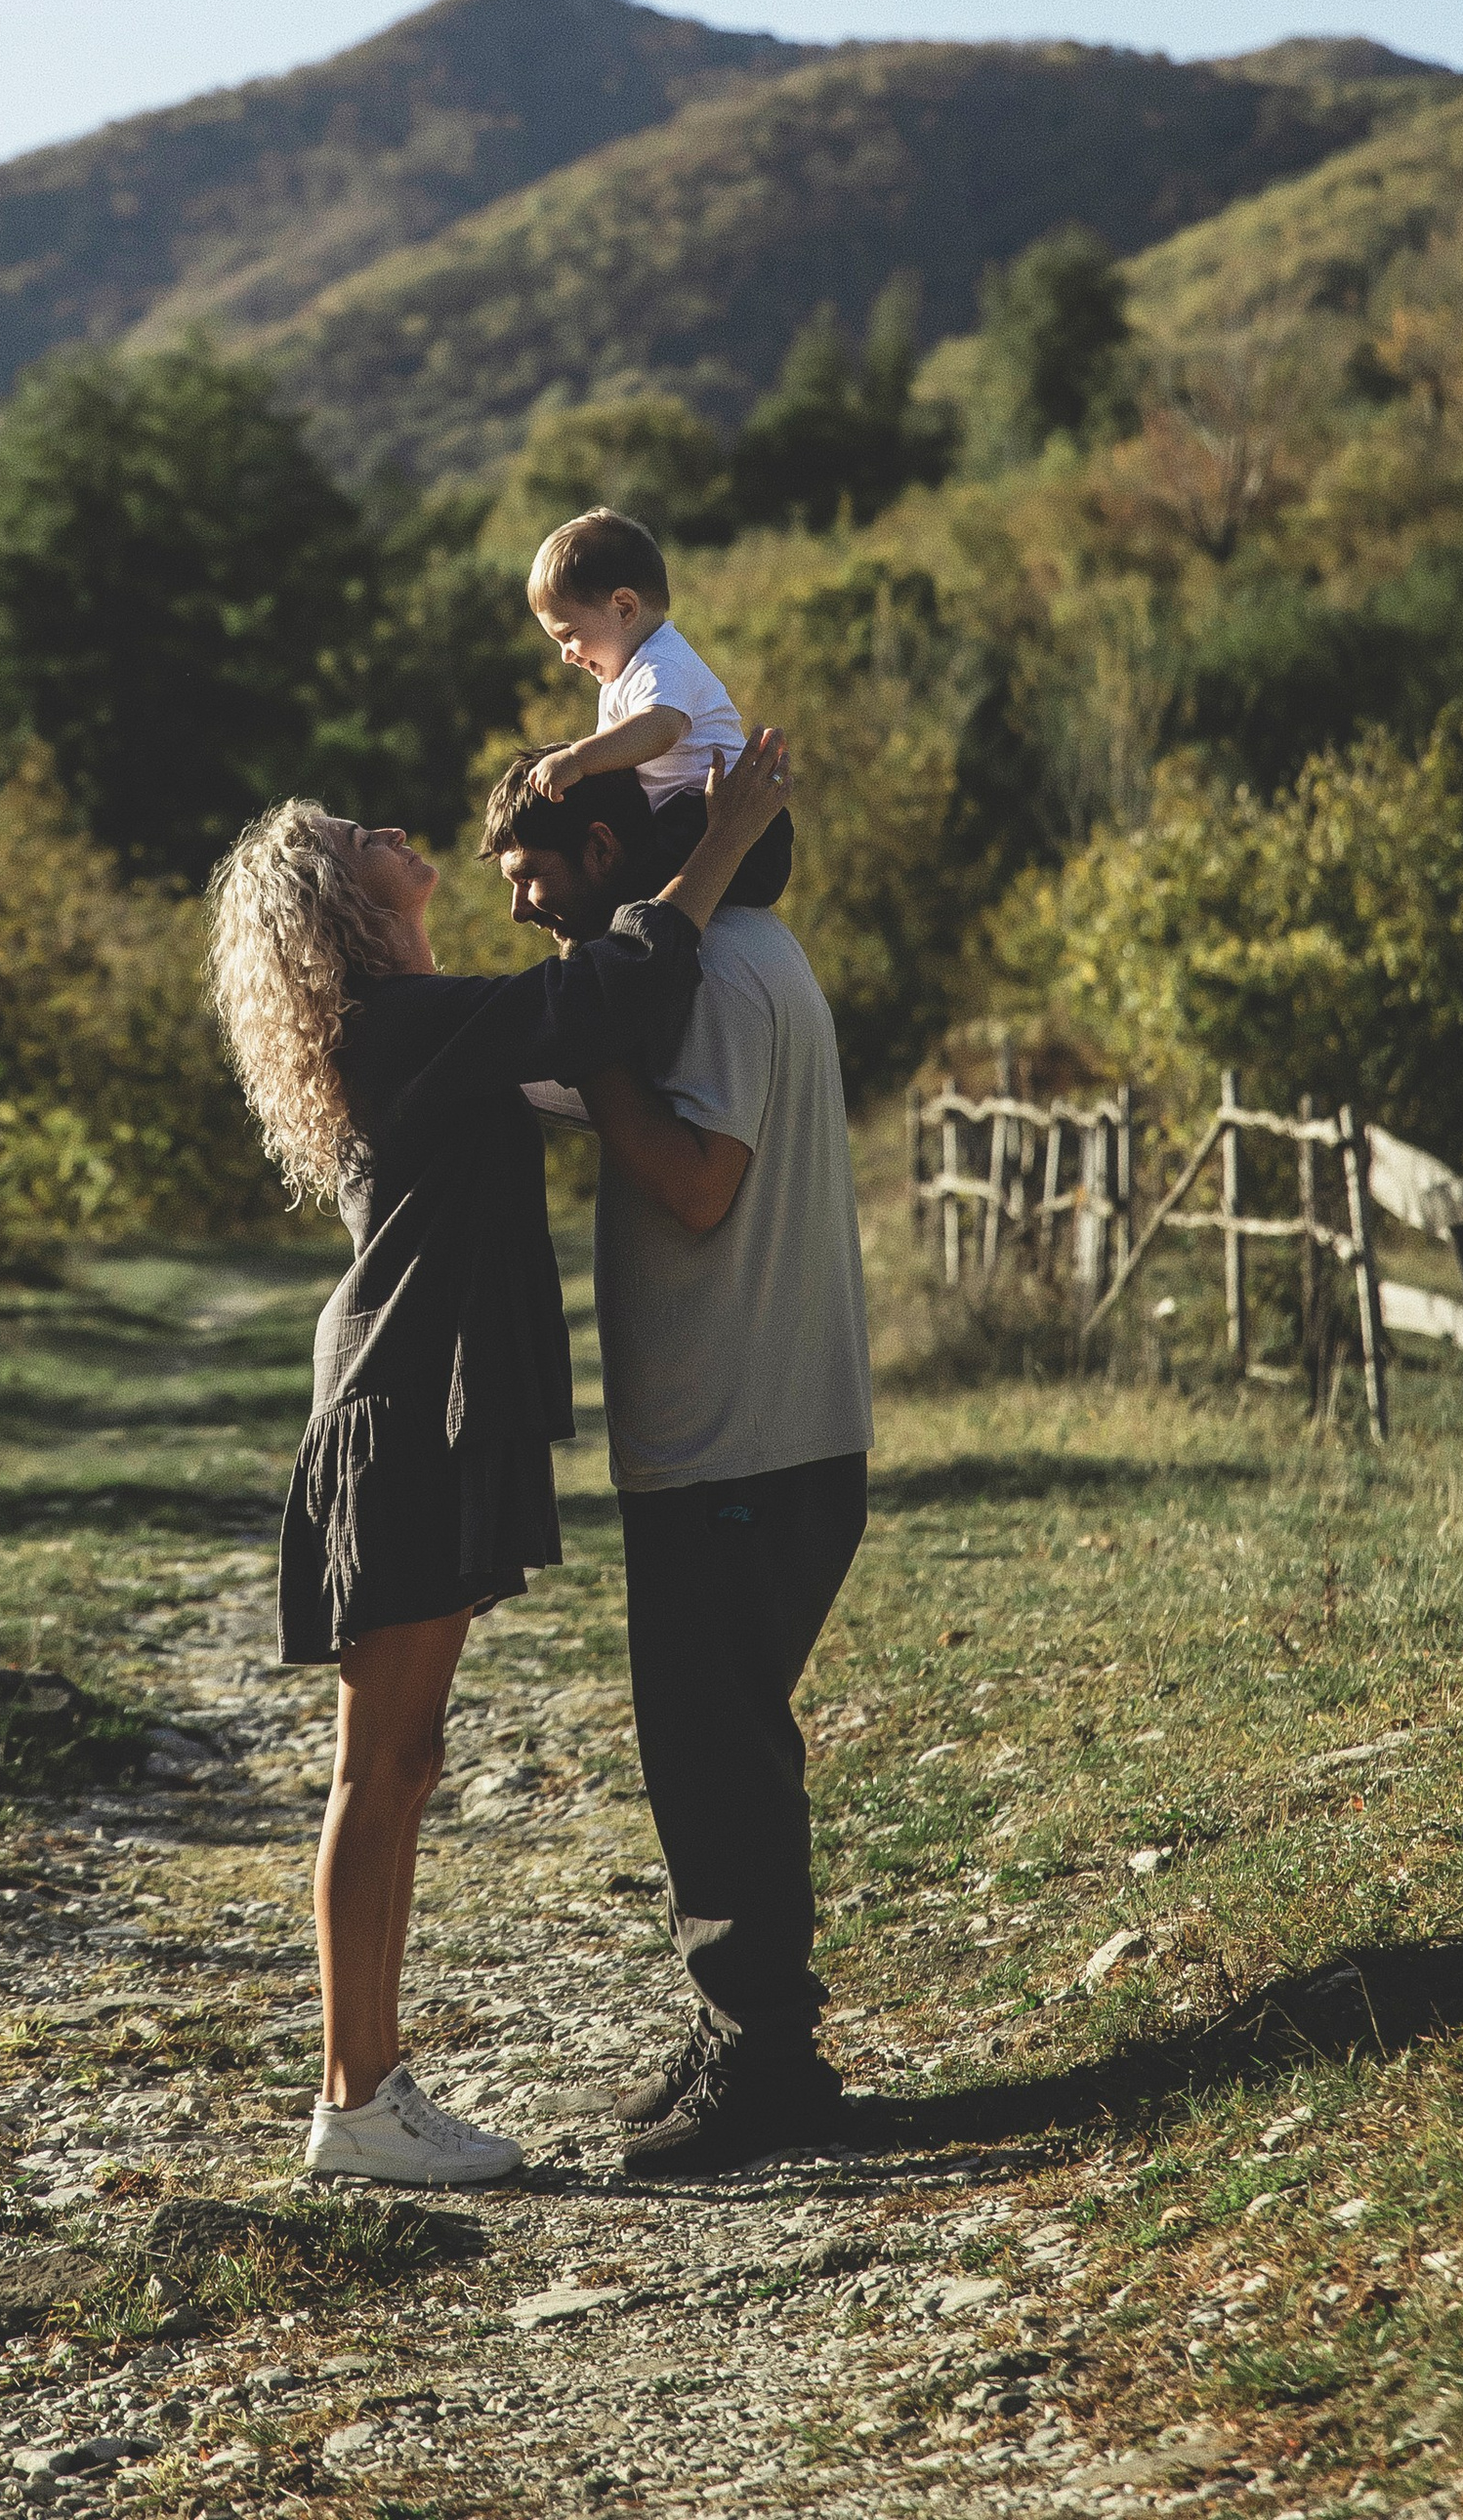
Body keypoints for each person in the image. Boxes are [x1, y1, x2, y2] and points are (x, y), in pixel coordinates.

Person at [203, 731, 794, 2190]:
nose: (394, 831)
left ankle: (367, 2092)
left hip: (407, 1404)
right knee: (380, 1770)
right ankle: (356, 2101)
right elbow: (605, 992)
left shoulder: (411, 1020)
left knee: (400, 1764)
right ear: (336, 905)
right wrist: (722, 842)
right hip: (399, 1411)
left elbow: (580, 1025)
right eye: (359, 837)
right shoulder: (401, 1023)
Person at [481, 750, 873, 2176]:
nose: (521, 907)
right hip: (753, 1431)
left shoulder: (716, 972)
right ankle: (739, 2036)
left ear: (603, 848)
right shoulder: (746, 952)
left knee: (717, 1759)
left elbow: (702, 1184)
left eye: (533, 877)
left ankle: (764, 2067)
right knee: (712, 1746)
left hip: (742, 1439)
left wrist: (591, 1061)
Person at [523, 509, 750, 807]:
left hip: (713, 806)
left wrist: (577, 759)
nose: (566, 656)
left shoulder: (660, 660)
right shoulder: (626, 674)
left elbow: (660, 728)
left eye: (568, 635)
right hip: (687, 812)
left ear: (624, 608)